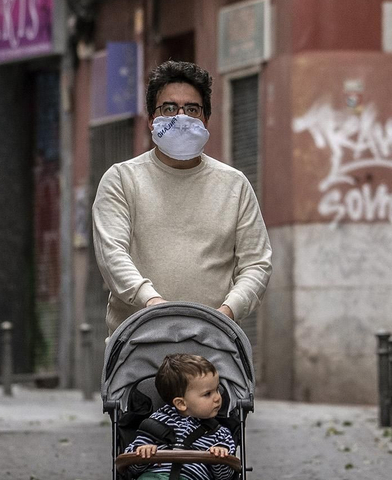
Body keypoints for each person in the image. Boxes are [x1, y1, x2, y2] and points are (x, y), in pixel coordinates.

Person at [90, 60, 271, 333]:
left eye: (193, 109)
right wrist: (152, 303)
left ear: (206, 119)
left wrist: (226, 313)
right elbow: (112, 255)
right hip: (139, 345)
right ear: (151, 119)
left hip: (212, 345)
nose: (181, 117)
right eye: (169, 108)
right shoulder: (122, 180)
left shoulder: (234, 185)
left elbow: (257, 263)